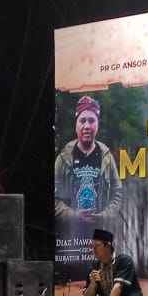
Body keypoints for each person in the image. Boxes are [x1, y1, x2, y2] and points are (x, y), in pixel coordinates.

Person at [54, 95, 122, 225]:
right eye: (82, 120)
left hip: (100, 234)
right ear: (76, 124)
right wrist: (73, 216)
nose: (87, 126)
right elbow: (54, 199)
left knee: (101, 246)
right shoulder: (63, 159)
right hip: (70, 235)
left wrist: (104, 216)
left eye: (91, 121)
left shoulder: (107, 157)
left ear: (97, 125)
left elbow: (117, 193)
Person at [80, 228, 146, 296]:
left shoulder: (124, 260)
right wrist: (93, 283)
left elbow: (118, 287)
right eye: (92, 246)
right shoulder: (95, 265)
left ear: (108, 245)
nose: (93, 249)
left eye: (97, 246)